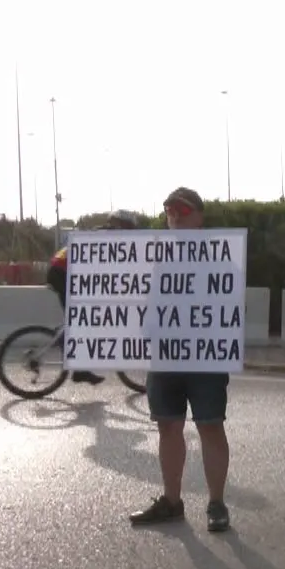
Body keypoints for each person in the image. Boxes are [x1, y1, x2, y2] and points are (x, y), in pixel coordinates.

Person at [129, 188, 234, 533]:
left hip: (205, 359)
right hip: (164, 356)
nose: (175, 216)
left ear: (199, 216)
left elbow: (229, 305)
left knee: (210, 425)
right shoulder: (153, 255)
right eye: (170, 211)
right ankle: (171, 501)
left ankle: (216, 503)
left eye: (183, 211)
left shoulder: (220, 255)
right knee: (167, 426)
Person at [46, 212, 141, 385]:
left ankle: (80, 369)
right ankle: (64, 339)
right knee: (84, 317)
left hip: (63, 270)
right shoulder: (111, 236)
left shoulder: (105, 234)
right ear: (122, 225)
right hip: (63, 273)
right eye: (130, 228)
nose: (131, 232)